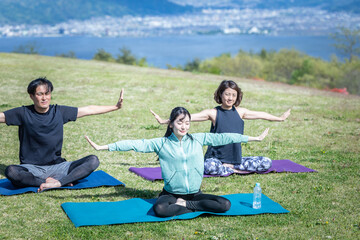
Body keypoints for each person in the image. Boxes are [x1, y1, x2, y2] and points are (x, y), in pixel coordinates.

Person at [85, 107, 269, 217]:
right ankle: (188, 206)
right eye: (180, 123)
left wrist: (253, 138)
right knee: (159, 208)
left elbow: (225, 137)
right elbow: (135, 144)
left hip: (194, 194)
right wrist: (104, 147)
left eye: (187, 123)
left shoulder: (197, 139)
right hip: (171, 193)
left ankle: (184, 206)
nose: (184, 127)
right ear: (171, 124)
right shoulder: (162, 143)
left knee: (225, 204)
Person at [0, 77, 124, 192]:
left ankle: (58, 183)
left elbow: (88, 110)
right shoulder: (23, 113)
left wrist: (115, 107)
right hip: (32, 169)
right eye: (39, 94)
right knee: (11, 171)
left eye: (47, 94)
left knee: (93, 160)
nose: (44, 98)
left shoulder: (59, 112)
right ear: (32, 96)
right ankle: (47, 181)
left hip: (59, 167)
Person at [150, 80, 291, 176]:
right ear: (221, 95)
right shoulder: (214, 113)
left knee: (267, 162)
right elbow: (187, 117)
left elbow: (261, 114)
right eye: (227, 94)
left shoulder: (240, 112)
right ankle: (233, 170)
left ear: (237, 97)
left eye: (233, 95)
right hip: (215, 160)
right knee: (209, 167)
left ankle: (231, 169)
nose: (230, 98)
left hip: (236, 159)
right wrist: (165, 121)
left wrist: (279, 118)